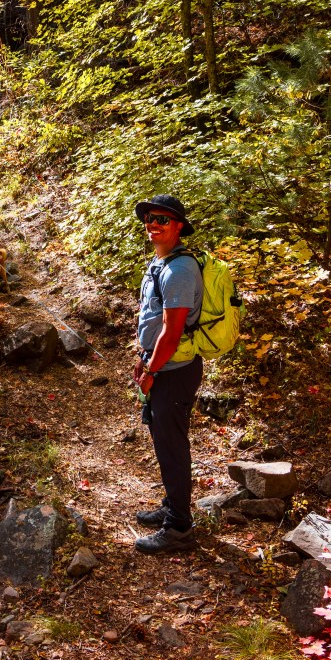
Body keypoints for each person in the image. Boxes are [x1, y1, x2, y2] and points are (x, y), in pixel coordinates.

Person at [131, 195, 203, 554]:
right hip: (161, 365)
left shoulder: (179, 271)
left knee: (172, 447)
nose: (152, 223)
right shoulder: (162, 263)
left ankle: (178, 527)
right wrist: (144, 359)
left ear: (178, 226)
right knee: (165, 441)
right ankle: (171, 505)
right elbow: (153, 320)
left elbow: (171, 333)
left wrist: (151, 371)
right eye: (148, 218)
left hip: (173, 371)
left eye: (162, 218)